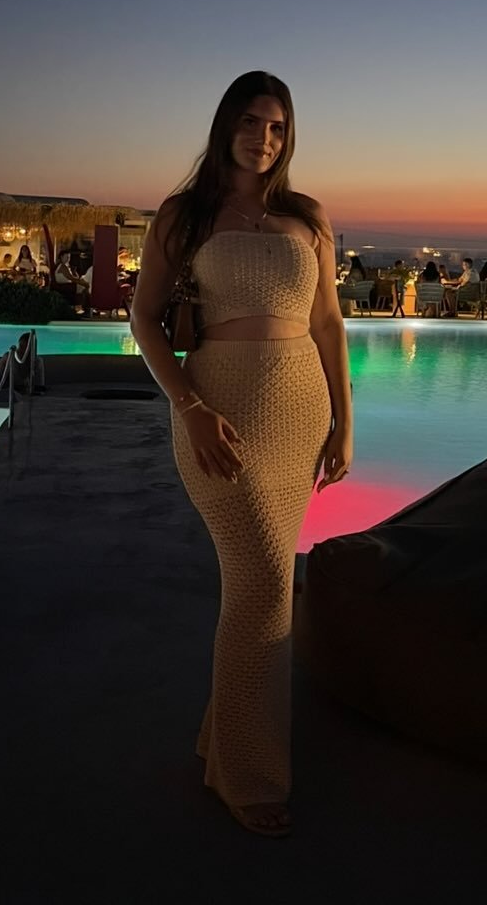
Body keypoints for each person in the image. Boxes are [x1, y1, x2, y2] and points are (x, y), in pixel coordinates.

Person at [128, 71, 352, 839]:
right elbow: (145, 320)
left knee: (262, 583)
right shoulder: (185, 214)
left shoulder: (307, 216)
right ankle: (249, 777)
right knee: (262, 588)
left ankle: (222, 741)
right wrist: (189, 410)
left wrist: (345, 422)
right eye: (253, 122)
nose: (265, 138)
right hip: (218, 413)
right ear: (227, 125)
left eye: (279, 127)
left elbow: (328, 324)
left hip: (300, 409)